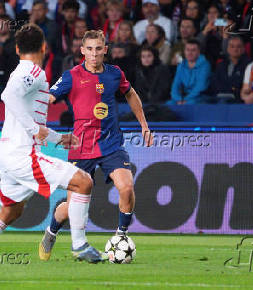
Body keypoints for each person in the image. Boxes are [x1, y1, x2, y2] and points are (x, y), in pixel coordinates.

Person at [0, 24, 105, 277]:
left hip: (9, 152)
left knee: (11, 211)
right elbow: (8, 97)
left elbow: (27, 115)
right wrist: (34, 128)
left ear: (16, 48)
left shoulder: (25, 71)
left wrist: (60, 139)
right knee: (83, 182)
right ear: (44, 47)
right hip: (22, 153)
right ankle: (79, 245)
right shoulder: (33, 71)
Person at [39, 30, 153, 261]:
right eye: (89, 49)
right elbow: (48, 98)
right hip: (81, 147)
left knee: (127, 187)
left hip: (111, 142)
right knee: (71, 208)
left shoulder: (114, 74)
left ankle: (121, 236)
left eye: (98, 49)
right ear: (82, 51)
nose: (94, 54)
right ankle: (51, 232)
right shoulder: (71, 76)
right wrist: (35, 123)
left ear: (105, 50)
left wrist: (144, 124)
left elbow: (130, 94)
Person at [168, 39, 212, 104]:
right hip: (183, 96)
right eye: (187, 50)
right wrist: (178, 99)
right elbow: (175, 85)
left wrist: (185, 100)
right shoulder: (181, 65)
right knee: (169, 104)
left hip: (200, 96)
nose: (190, 53)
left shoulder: (205, 65)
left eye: (193, 50)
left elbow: (200, 87)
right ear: (184, 51)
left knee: (190, 103)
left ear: (199, 52)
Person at [211, 36, 250, 102]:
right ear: (228, 49)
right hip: (220, 96)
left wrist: (233, 90)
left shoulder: (249, 65)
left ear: (243, 49)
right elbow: (215, 83)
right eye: (232, 46)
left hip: (239, 98)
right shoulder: (221, 65)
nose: (235, 49)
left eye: (238, 46)